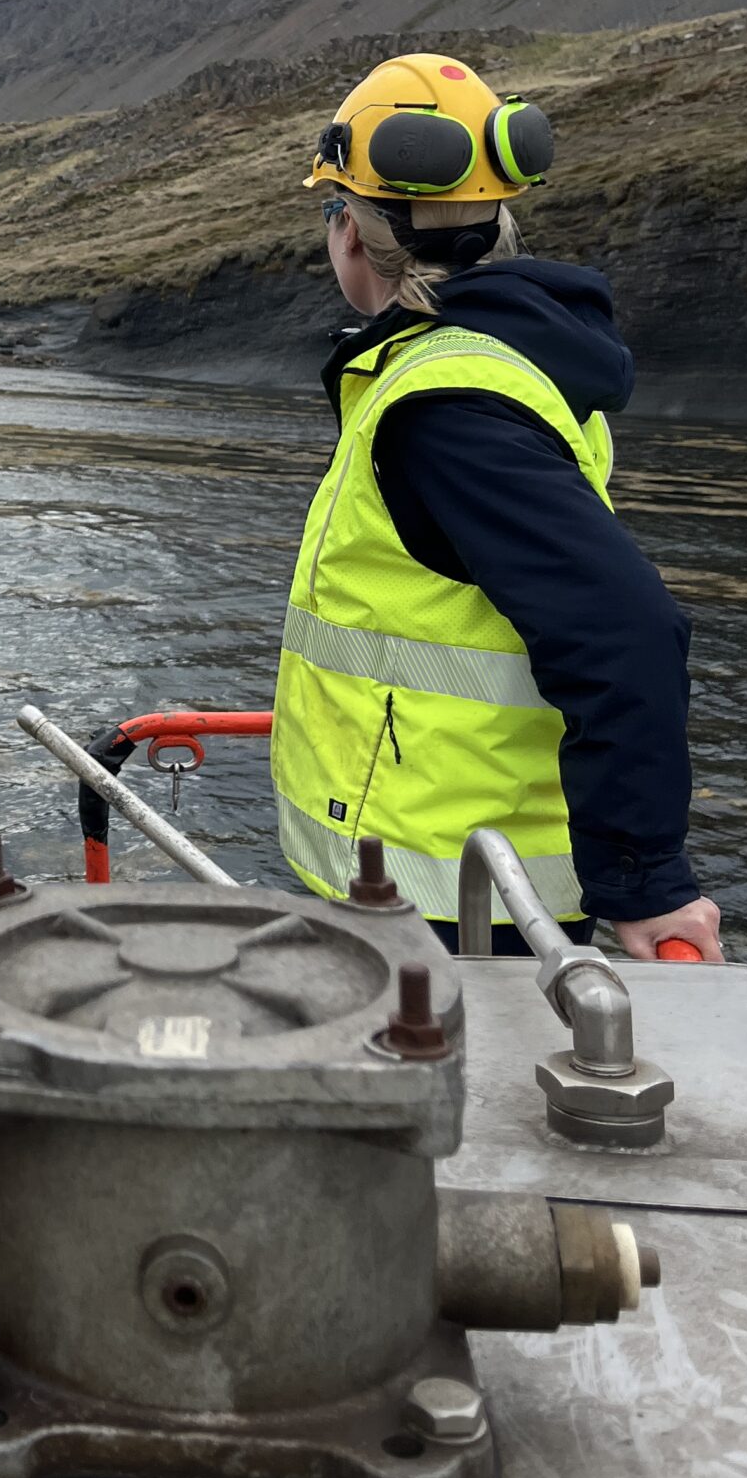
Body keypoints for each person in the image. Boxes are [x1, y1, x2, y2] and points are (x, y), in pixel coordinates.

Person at [269, 50, 722, 960]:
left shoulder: (446, 407)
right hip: (459, 865)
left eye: (333, 213)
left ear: (350, 232)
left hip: (450, 898)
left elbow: (627, 631)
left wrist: (647, 885)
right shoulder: (502, 362)